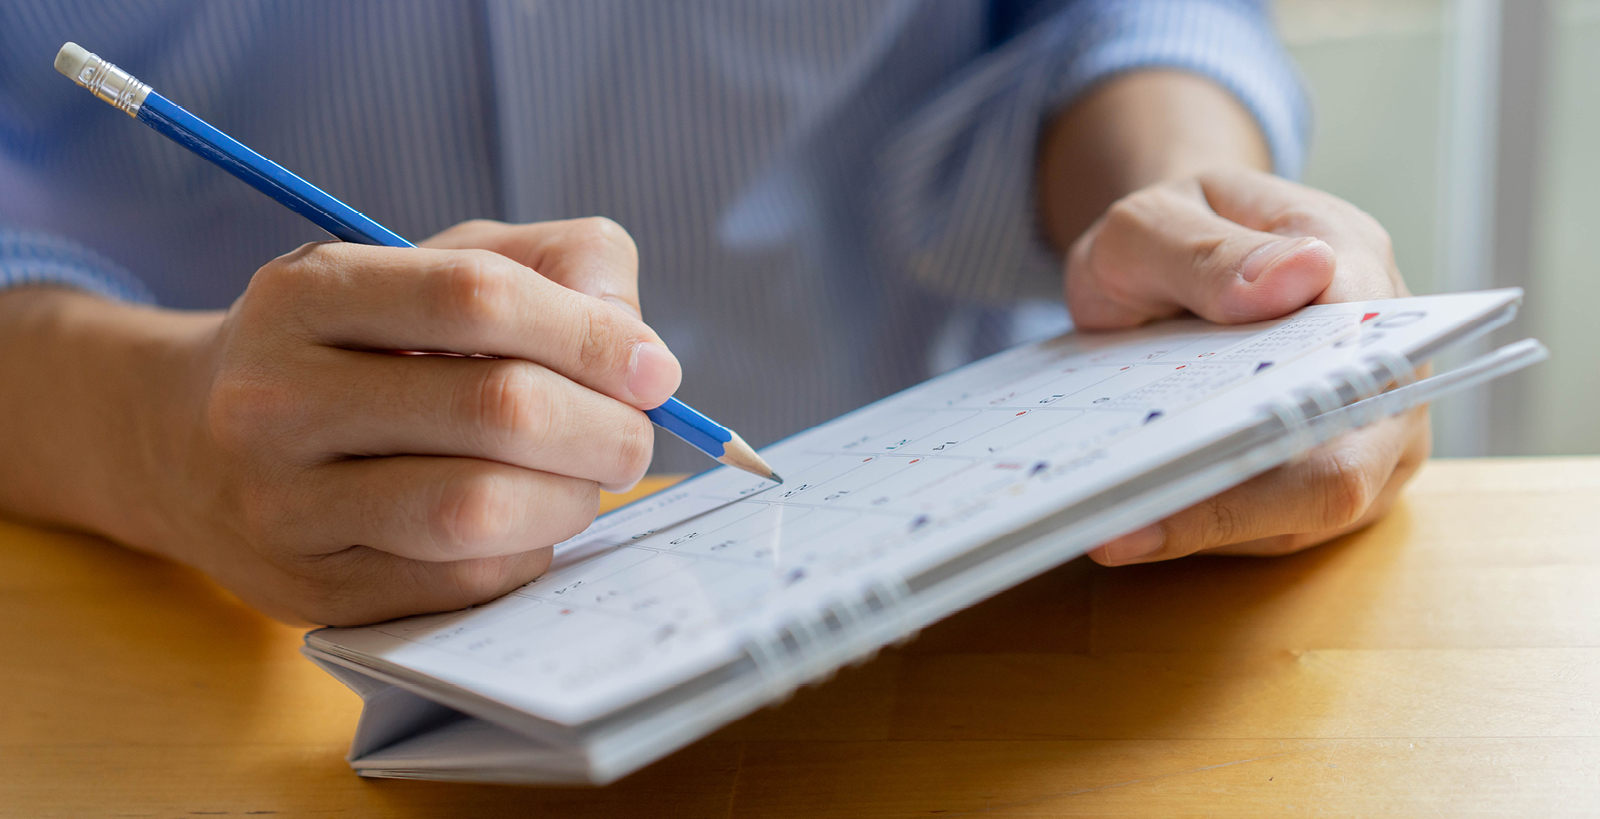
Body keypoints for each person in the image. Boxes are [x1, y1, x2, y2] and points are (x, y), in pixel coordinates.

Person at [0, 1, 1427, 625]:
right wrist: (160, 439)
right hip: (183, 622)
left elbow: (1108, 15)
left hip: (988, 597)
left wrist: (1189, 217)